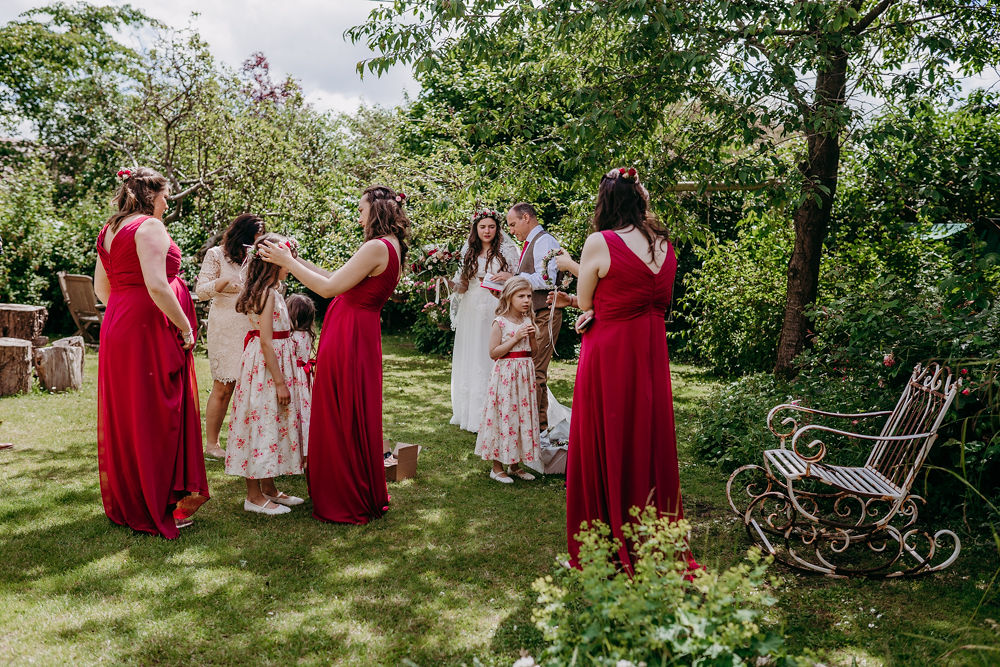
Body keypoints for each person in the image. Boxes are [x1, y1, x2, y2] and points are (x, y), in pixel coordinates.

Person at [565, 167, 697, 573]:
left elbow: (586, 302)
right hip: (650, 351)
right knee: (647, 435)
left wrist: (584, 315)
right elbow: (660, 299)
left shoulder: (599, 242)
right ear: (640, 199)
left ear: (607, 202)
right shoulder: (664, 243)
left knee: (604, 432)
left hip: (608, 352)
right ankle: (652, 528)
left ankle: (605, 534)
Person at [258, 185, 408, 525]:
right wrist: (296, 259)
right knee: (350, 407)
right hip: (359, 331)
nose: (359, 216)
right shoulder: (390, 246)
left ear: (377, 210)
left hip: (350, 335)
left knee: (341, 409)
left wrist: (287, 263)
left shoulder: (375, 246)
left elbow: (327, 290)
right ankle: (355, 486)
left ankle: (344, 494)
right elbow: (336, 279)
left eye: (361, 209)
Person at [93, 166, 209, 538]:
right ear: (151, 196)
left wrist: (125, 313)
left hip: (120, 326)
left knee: (129, 414)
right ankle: (155, 503)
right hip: (147, 329)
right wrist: (185, 325)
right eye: (164, 196)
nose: (166, 202)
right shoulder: (150, 226)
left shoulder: (110, 229)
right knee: (157, 412)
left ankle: (133, 500)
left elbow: (102, 290)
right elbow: (158, 286)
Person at [225, 233, 308, 515]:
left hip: (270, 364)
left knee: (269, 423)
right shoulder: (267, 294)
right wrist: (281, 382)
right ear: (273, 263)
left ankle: (269, 488)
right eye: (287, 259)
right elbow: (265, 341)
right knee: (258, 423)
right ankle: (253, 496)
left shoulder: (275, 290)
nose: (291, 264)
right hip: (265, 368)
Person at [195, 213, 265, 459]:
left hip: (255, 325)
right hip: (225, 326)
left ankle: (247, 442)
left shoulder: (258, 257)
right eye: (257, 236)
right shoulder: (216, 254)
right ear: (243, 234)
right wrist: (224, 281)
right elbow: (201, 291)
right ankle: (212, 445)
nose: (260, 241)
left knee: (253, 386)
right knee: (224, 386)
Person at [449, 209, 519, 432]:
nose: (487, 231)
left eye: (491, 226)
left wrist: (507, 278)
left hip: (495, 306)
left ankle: (498, 411)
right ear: (476, 229)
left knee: (492, 354)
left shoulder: (506, 251)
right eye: (482, 227)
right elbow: (461, 286)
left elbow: (519, 281)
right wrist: (444, 277)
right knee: (472, 354)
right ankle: (472, 412)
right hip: (471, 308)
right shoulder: (468, 252)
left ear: (497, 229)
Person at [474, 276, 542, 483]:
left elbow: (534, 353)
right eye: (521, 296)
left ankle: (515, 465)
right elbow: (494, 353)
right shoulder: (500, 322)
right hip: (506, 376)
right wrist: (516, 337)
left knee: (521, 417)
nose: (526, 300)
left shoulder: (528, 321)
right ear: (509, 297)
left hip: (524, 375)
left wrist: (530, 337)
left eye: (529, 296)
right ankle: (497, 467)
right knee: (505, 416)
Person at [505, 203, 563, 441]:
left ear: (526, 217)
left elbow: (546, 279)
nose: (511, 230)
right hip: (535, 314)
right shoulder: (531, 243)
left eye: (513, 224)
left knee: (536, 370)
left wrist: (515, 278)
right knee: (530, 369)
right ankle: (533, 427)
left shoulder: (544, 241)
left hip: (546, 314)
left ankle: (539, 431)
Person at [286, 292, 317, 467]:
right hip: (306, 381)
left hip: (294, 378)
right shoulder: (308, 335)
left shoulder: (290, 338)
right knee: (306, 416)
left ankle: (295, 456)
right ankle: (306, 457)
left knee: (295, 416)